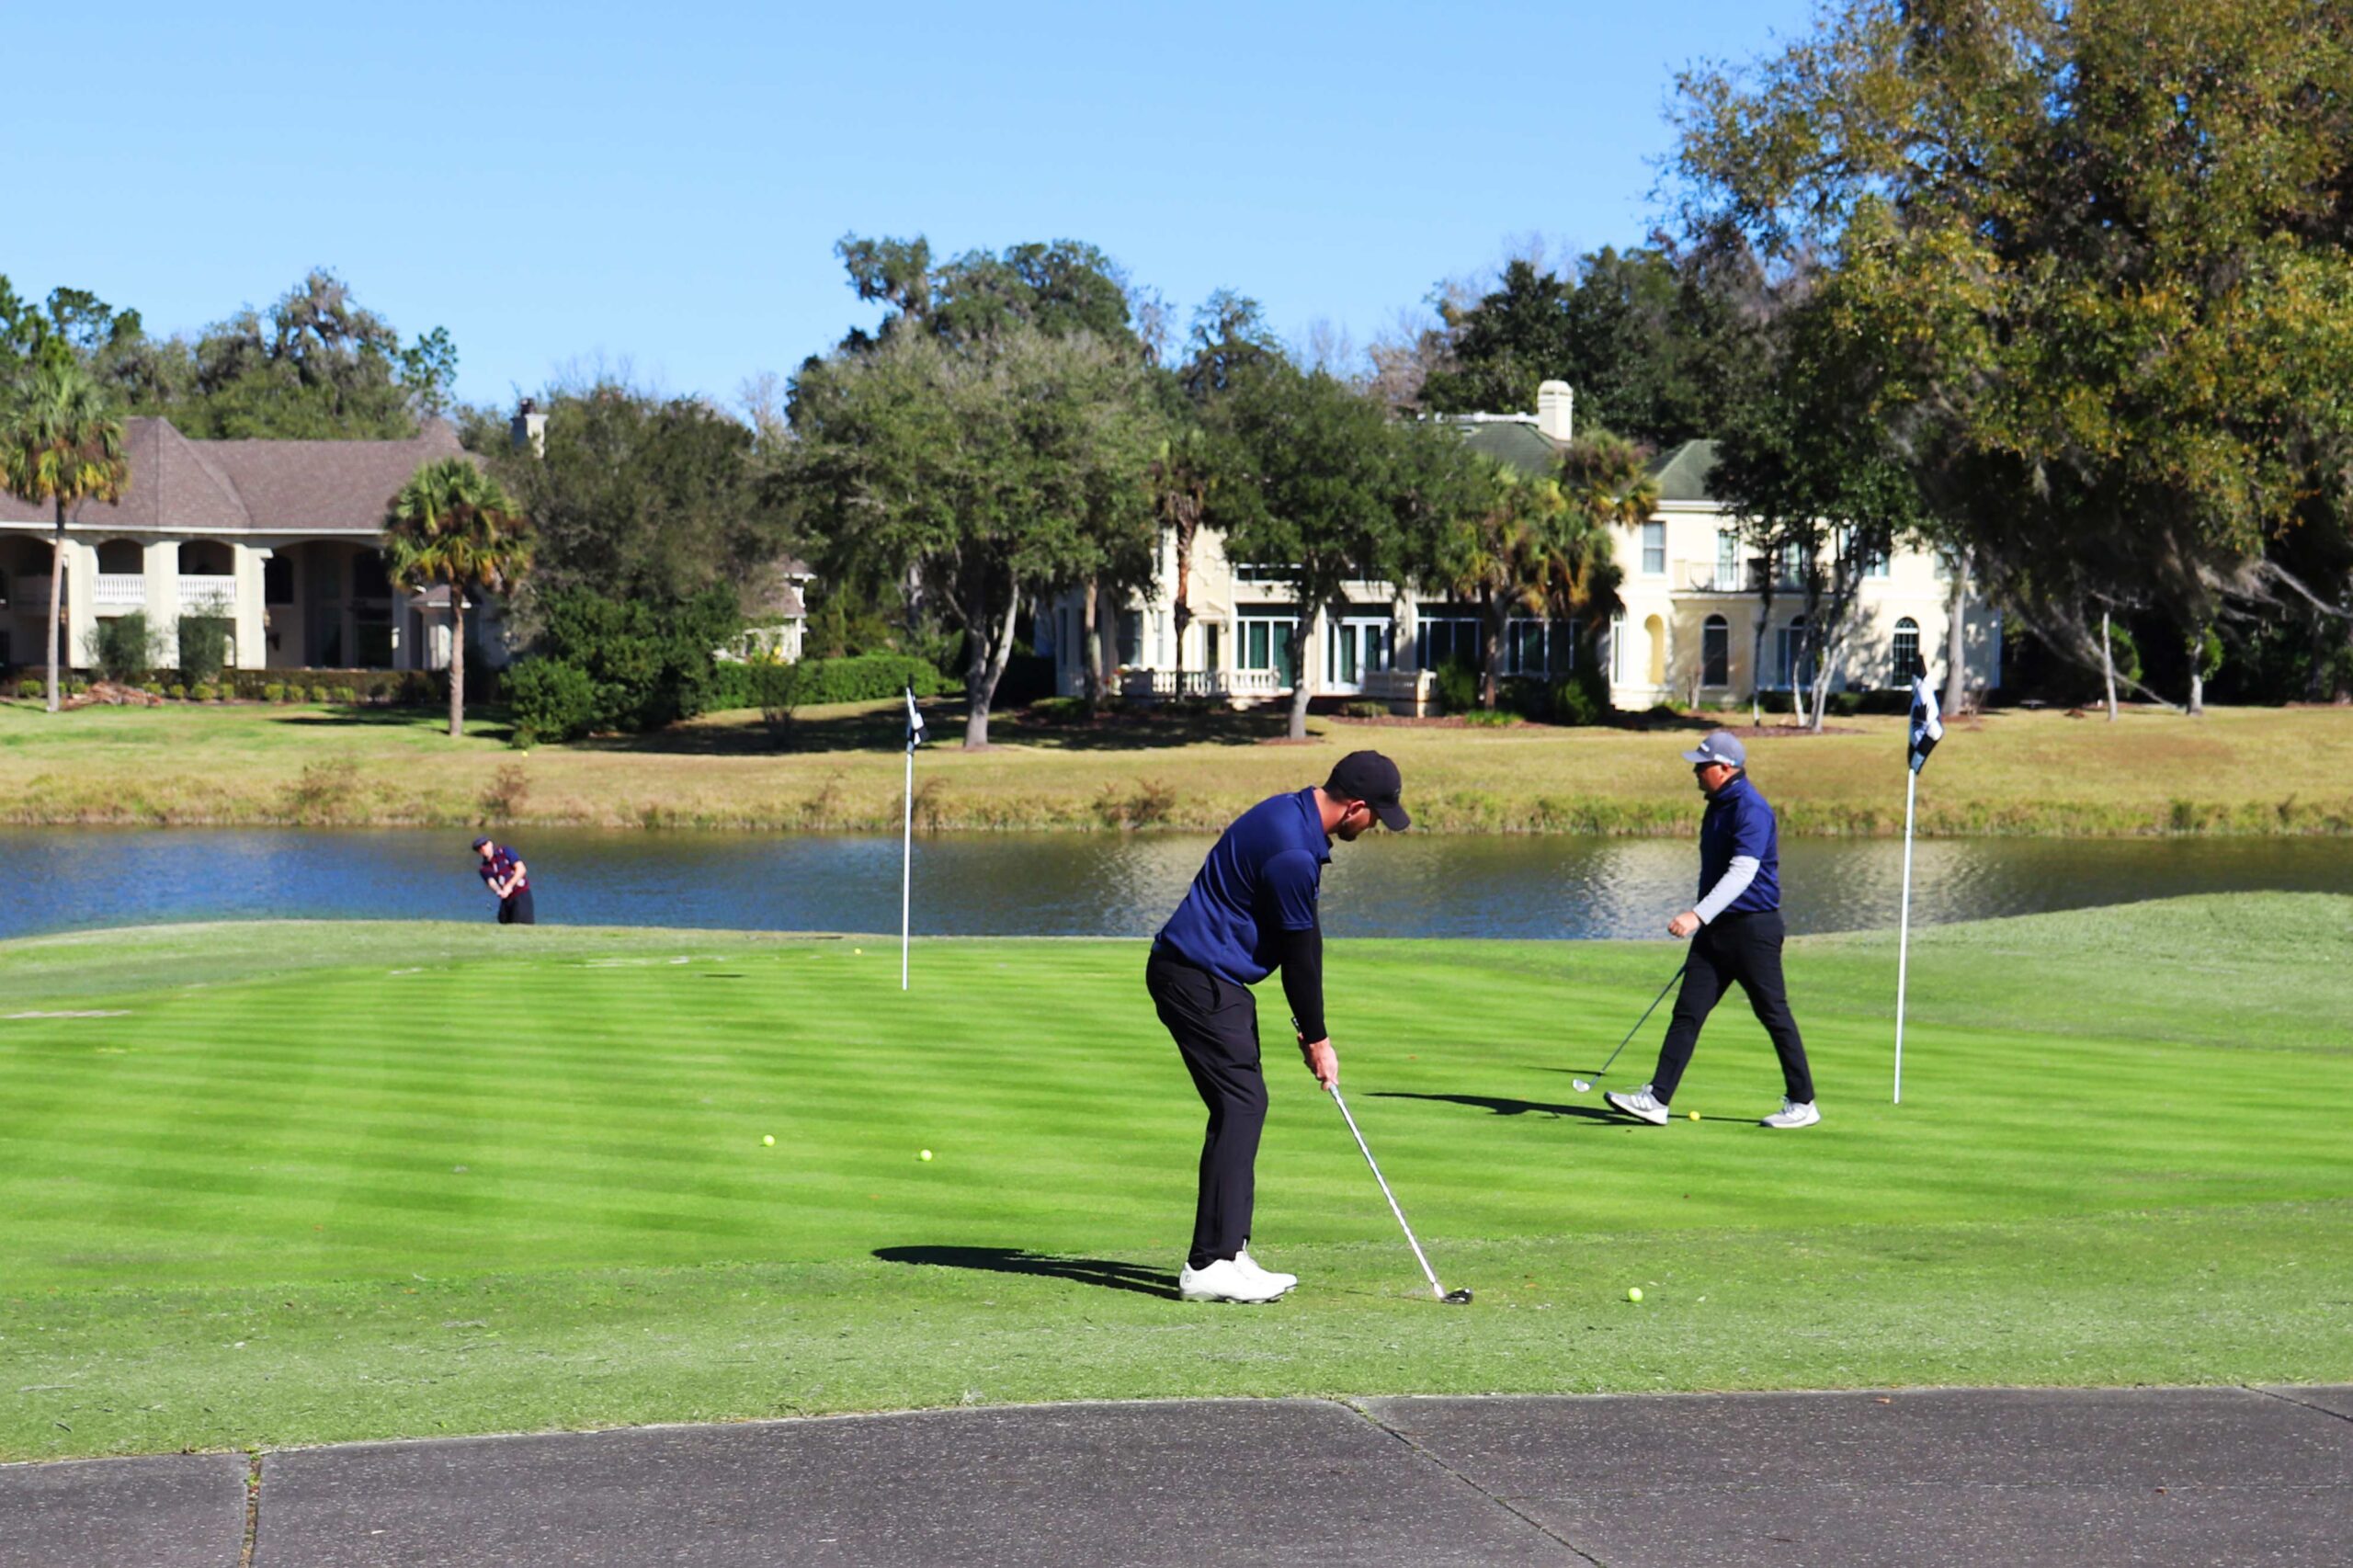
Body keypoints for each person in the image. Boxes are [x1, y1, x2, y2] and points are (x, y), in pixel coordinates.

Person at [1147, 750, 1410, 1303]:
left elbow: (1302, 934)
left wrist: (1309, 1025)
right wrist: (1317, 1037)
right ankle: (1207, 1264)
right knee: (1241, 1104)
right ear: (1354, 807)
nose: (1377, 827)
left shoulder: (1291, 815)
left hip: (1214, 980)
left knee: (1244, 1103)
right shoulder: (1293, 851)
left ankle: (1230, 1253)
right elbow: (1300, 954)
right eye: (1377, 817)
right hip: (1197, 978)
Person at [1605, 729, 1819, 1130]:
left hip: (1753, 929)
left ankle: (1803, 1102)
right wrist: (1707, 919)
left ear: (1726, 768)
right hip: (1718, 929)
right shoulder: (1719, 803)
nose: (1696, 773)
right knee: (1687, 1012)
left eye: (1702, 766)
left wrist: (1697, 915)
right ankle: (1656, 1099)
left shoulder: (1750, 808)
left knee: (1773, 1013)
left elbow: (1743, 872)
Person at [473, 835, 534, 925]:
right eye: (479, 848)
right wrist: (499, 891)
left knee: (522, 923)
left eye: (485, 844)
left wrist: (510, 885)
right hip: (506, 898)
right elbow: (491, 882)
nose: (483, 848)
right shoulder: (484, 868)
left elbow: (521, 869)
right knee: (503, 920)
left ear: (490, 844)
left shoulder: (505, 852)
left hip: (521, 893)